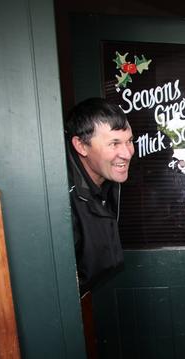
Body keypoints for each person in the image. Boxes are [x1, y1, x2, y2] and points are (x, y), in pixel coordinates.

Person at [65, 97, 134, 294]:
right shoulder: (61, 201)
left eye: (129, 141)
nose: (127, 153)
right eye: (114, 143)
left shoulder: (110, 180)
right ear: (81, 146)